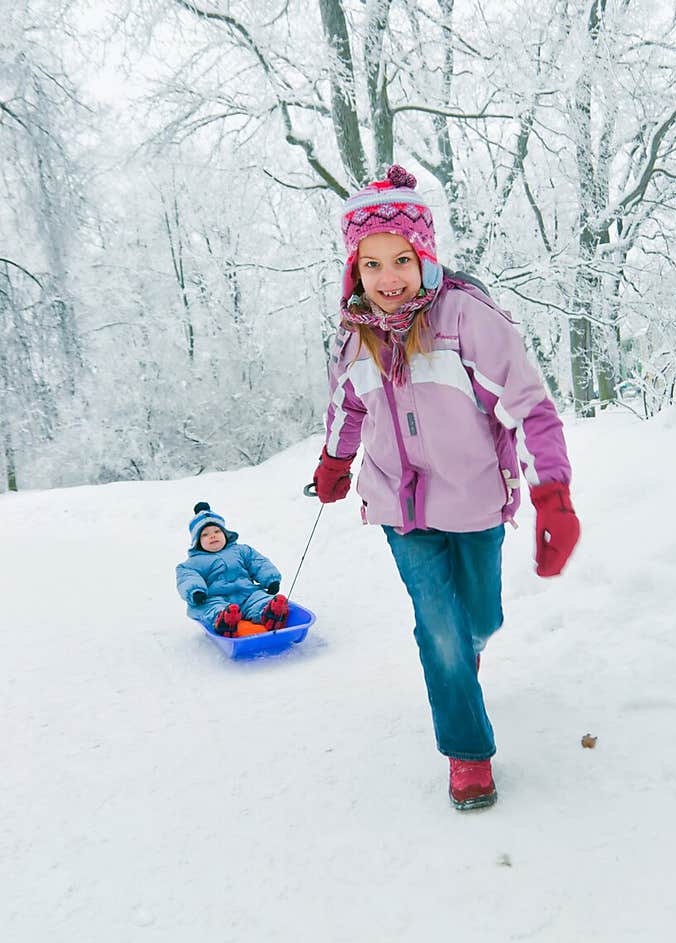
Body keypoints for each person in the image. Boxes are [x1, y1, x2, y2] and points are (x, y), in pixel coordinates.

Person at [312, 164, 580, 810]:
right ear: (355, 269)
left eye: (401, 258)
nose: (388, 278)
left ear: (424, 254)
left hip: (475, 498)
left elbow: (530, 405)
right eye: (371, 264)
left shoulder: (467, 320)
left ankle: (469, 649)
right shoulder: (355, 339)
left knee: (480, 616)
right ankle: (468, 753)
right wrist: (335, 462)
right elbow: (347, 408)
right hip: (400, 508)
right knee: (438, 626)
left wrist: (554, 495)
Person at [176, 501, 290, 636]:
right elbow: (188, 577)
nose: (212, 535)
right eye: (205, 534)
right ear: (197, 542)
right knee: (209, 607)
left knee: (260, 598)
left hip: (247, 595)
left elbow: (259, 563)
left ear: (225, 534)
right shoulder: (193, 562)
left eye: (217, 531)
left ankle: (269, 613)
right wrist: (195, 591)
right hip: (216, 598)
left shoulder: (242, 550)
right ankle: (224, 621)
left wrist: (271, 579)